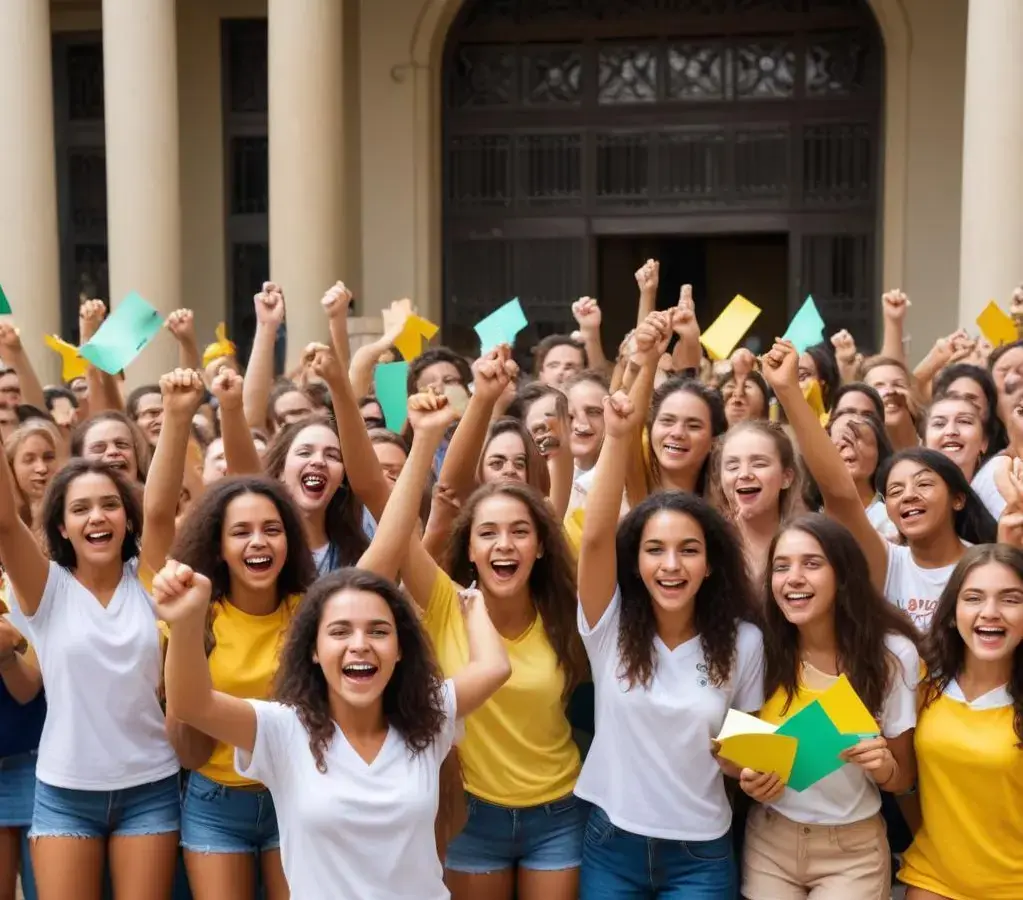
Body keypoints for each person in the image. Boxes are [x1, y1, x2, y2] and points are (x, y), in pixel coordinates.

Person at [158, 390, 512, 899]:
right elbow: (191, 704)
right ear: (312, 649)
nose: (359, 645)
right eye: (341, 633)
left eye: (379, 632)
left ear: (403, 649)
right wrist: (189, 624)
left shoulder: (425, 713)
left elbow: (491, 665)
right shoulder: (285, 727)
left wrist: (471, 604)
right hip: (226, 799)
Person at [576, 315, 763, 898]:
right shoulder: (608, 627)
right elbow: (595, 536)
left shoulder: (745, 642)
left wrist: (754, 768)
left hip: (702, 854)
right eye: (655, 550)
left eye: (688, 551)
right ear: (636, 562)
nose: (671, 565)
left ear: (711, 564)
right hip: (610, 844)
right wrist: (615, 436)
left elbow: (746, 754)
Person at [0, 449, 181, 899]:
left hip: (151, 788)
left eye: (110, 504)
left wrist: (178, 414)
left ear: (128, 519)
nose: (97, 517)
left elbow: (160, 509)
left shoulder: (149, 577)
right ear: (62, 527)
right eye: (80, 508)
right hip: (65, 793)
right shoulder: (46, 587)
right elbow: (5, 522)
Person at [740, 515, 919, 900]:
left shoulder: (893, 655)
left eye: (812, 563)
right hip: (770, 837)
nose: (794, 578)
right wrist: (746, 773)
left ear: (842, 575)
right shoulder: (758, 645)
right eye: (781, 566)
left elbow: (903, 779)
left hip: (852, 848)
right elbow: (731, 747)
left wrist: (884, 766)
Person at [764, 339, 997, 632]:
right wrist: (788, 391)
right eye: (896, 491)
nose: (909, 495)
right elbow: (839, 494)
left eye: (923, 484)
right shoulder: (889, 564)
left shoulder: (985, 565)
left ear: (958, 499)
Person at [898, 544, 1023, 899]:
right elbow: (904, 781)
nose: (991, 612)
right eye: (973, 598)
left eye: (1011, 599)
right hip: (932, 877)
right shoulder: (923, 681)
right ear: (953, 612)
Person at [0, 596, 44, 900]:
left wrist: (13, 647)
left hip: (38, 763)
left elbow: (28, 689)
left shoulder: (29, 584)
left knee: (43, 888)